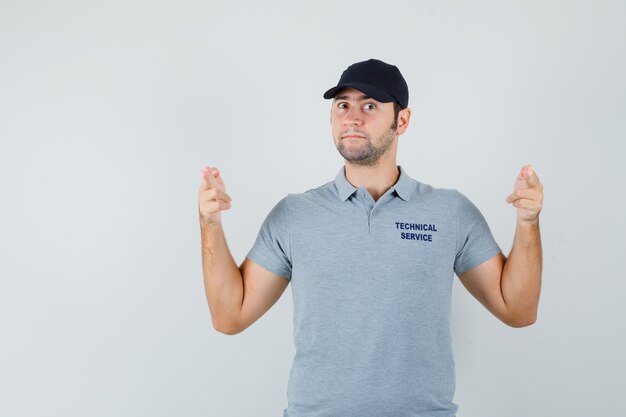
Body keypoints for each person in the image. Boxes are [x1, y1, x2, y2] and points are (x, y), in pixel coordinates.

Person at [197, 59, 543, 417]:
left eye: (370, 105)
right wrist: (210, 223)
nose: (352, 117)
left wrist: (527, 221)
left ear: (402, 121)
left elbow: (517, 310)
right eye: (342, 105)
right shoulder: (294, 215)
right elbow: (229, 317)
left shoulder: (449, 211)